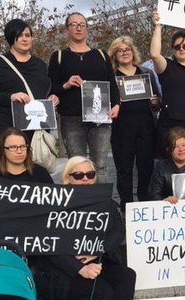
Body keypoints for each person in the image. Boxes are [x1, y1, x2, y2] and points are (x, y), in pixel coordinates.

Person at [32, 156, 135, 300]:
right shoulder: (54, 205)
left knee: (127, 275)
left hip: (96, 262)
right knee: (102, 293)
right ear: (68, 179)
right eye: (79, 175)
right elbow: (49, 247)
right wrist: (80, 268)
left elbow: (118, 232)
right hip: (62, 271)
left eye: (90, 174)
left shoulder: (104, 202)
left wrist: (97, 249)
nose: (85, 178)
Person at [48, 12, 121, 183]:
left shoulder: (101, 55)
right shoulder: (58, 56)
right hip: (71, 118)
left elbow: (112, 83)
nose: (79, 27)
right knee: (77, 167)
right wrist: (65, 85)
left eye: (82, 24)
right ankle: (81, 207)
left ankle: (102, 206)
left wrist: (116, 104)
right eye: (74, 24)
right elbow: (50, 87)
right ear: (67, 29)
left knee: (100, 165)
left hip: (100, 118)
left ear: (87, 29)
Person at [0, 19, 58, 144]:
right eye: (19, 35)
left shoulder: (41, 65)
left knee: (38, 164)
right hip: (9, 131)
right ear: (11, 38)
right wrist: (11, 96)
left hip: (38, 132)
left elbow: (49, 89)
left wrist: (53, 97)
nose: (25, 39)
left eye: (28, 35)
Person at [107, 36, 160, 212]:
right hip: (122, 127)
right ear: (114, 55)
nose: (124, 53)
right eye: (120, 51)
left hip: (146, 126)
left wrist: (155, 101)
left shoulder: (147, 73)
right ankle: (126, 207)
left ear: (133, 51)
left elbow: (158, 101)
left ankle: (144, 205)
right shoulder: (112, 77)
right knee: (124, 169)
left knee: (146, 167)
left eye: (127, 49)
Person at [0, 127, 53, 240]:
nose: (19, 151)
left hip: (37, 229)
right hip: (2, 228)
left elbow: (52, 204)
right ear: (3, 150)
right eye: (13, 147)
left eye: (23, 146)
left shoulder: (40, 173)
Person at [150, 11, 185, 157]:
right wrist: (157, 26)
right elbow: (155, 54)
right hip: (170, 123)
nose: (181, 49)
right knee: (167, 166)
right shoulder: (167, 66)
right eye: (177, 47)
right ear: (173, 50)